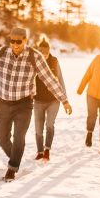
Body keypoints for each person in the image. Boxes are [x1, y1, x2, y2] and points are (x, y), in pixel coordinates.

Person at [0, 27, 72, 181]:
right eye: (11, 41)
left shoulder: (35, 56)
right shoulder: (1, 53)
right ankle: (16, 156)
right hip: (3, 103)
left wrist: (64, 100)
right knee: (1, 138)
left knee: (19, 137)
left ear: (25, 40)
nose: (15, 44)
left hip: (24, 104)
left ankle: (12, 169)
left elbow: (50, 80)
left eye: (18, 41)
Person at [31, 34, 67, 162]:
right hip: (38, 100)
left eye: (46, 51)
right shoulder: (34, 62)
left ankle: (47, 150)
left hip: (53, 100)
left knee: (50, 124)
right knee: (38, 128)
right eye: (41, 51)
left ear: (49, 50)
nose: (44, 53)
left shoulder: (54, 61)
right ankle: (40, 151)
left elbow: (61, 80)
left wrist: (65, 100)